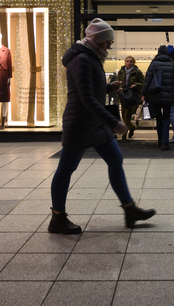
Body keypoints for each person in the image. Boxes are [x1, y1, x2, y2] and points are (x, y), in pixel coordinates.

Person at [49, 18, 155, 234]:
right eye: (108, 42)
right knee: (66, 169)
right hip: (79, 122)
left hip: (94, 124)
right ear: (97, 40)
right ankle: (57, 218)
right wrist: (114, 122)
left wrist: (107, 87)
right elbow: (86, 98)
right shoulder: (82, 59)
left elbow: (90, 89)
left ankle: (130, 210)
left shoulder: (90, 57)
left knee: (115, 159)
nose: (109, 46)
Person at [142, 45, 174, 151]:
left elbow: (148, 79)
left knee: (158, 118)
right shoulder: (171, 64)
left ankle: (159, 141)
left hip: (155, 94)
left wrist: (143, 93)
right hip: (168, 96)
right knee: (166, 118)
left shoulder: (154, 63)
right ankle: (165, 143)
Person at [116, 56, 144, 142]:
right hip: (123, 96)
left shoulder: (137, 72)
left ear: (133, 62)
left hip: (132, 96)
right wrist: (119, 88)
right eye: (127, 61)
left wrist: (136, 85)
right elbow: (117, 82)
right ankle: (132, 127)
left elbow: (142, 83)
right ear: (125, 62)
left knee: (127, 116)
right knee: (124, 117)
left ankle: (124, 135)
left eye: (131, 61)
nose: (129, 63)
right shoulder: (121, 72)